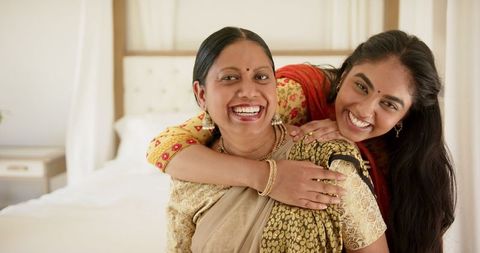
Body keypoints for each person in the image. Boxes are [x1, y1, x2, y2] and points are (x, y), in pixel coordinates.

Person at [148, 29, 456, 252]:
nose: (364, 110)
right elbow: (164, 147)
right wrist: (269, 176)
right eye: (361, 86)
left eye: (389, 104)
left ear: (405, 117)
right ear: (344, 73)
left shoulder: (340, 158)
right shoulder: (290, 95)